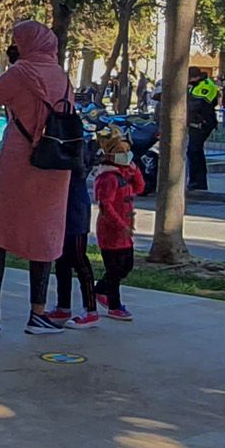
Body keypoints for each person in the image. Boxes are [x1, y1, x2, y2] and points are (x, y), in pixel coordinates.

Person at [0, 20, 72, 336]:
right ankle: (38, 313)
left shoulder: (21, 73)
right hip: (55, 163)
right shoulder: (61, 75)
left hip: (19, 159)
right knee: (45, 233)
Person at [47, 128, 100, 330]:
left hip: (75, 214)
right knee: (61, 261)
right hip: (63, 213)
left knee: (79, 260)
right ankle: (63, 306)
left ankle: (91, 309)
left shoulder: (75, 158)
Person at [91, 127, 143, 320]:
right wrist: (120, 225)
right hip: (111, 231)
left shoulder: (125, 174)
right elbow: (105, 205)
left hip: (126, 232)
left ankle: (100, 290)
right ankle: (114, 305)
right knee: (113, 270)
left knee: (126, 265)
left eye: (126, 151)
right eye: (120, 152)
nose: (125, 155)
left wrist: (134, 170)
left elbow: (140, 187)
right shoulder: (107, 177)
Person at [186, 67, 220, 191]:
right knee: (195, 151)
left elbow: (197, 104)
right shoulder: (196, 85)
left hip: (203, 123)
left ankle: (198, 182)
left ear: (196, 77)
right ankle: (197, 182)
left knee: (194, 150)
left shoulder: (206, 85)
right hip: (196, 122)